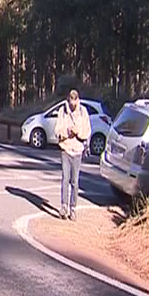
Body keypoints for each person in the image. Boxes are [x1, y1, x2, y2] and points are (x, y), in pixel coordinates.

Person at [54, 89, 91, 221]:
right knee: (65, 179)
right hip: (65, 149)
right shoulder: (62, 112)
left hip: (77, 151)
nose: (72, 105)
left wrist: (78, 132)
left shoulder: (83, 112)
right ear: (68, 100)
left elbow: (87, 132)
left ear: (78, 100)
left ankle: (73, 208)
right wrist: (65, 133)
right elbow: (57, 130)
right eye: (71, 102)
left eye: (75, 102)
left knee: (75, 181)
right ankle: (63, 206)